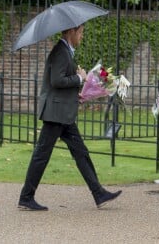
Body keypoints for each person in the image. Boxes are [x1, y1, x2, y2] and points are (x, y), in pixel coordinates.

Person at [18, 25, 122, 211]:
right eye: (80, 32)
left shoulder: (66, 51)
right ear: (71, 32)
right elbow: (57, 81)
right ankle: (26, 198)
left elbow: (62, 82)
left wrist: (77, 94)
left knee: (80, 153)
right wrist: (80, 78)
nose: (82, 36)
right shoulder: (61, 51)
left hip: (63, 113)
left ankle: (99, 193)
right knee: (41, 155)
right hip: (56, 114)